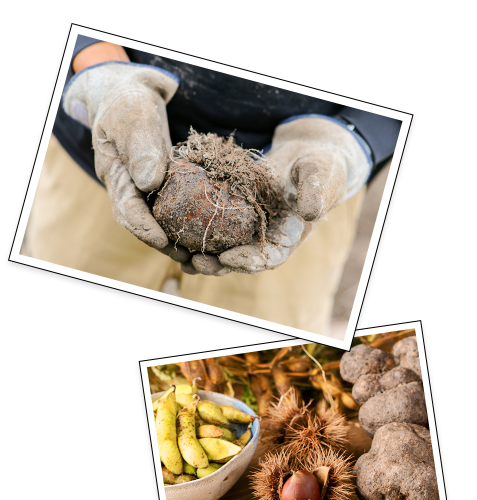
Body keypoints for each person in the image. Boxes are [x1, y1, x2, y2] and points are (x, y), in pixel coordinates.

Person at [19, 32, 404, 342]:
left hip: (300, 187)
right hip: (109, 138)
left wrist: (355, 138)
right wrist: (101, 65)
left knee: (259, 386)